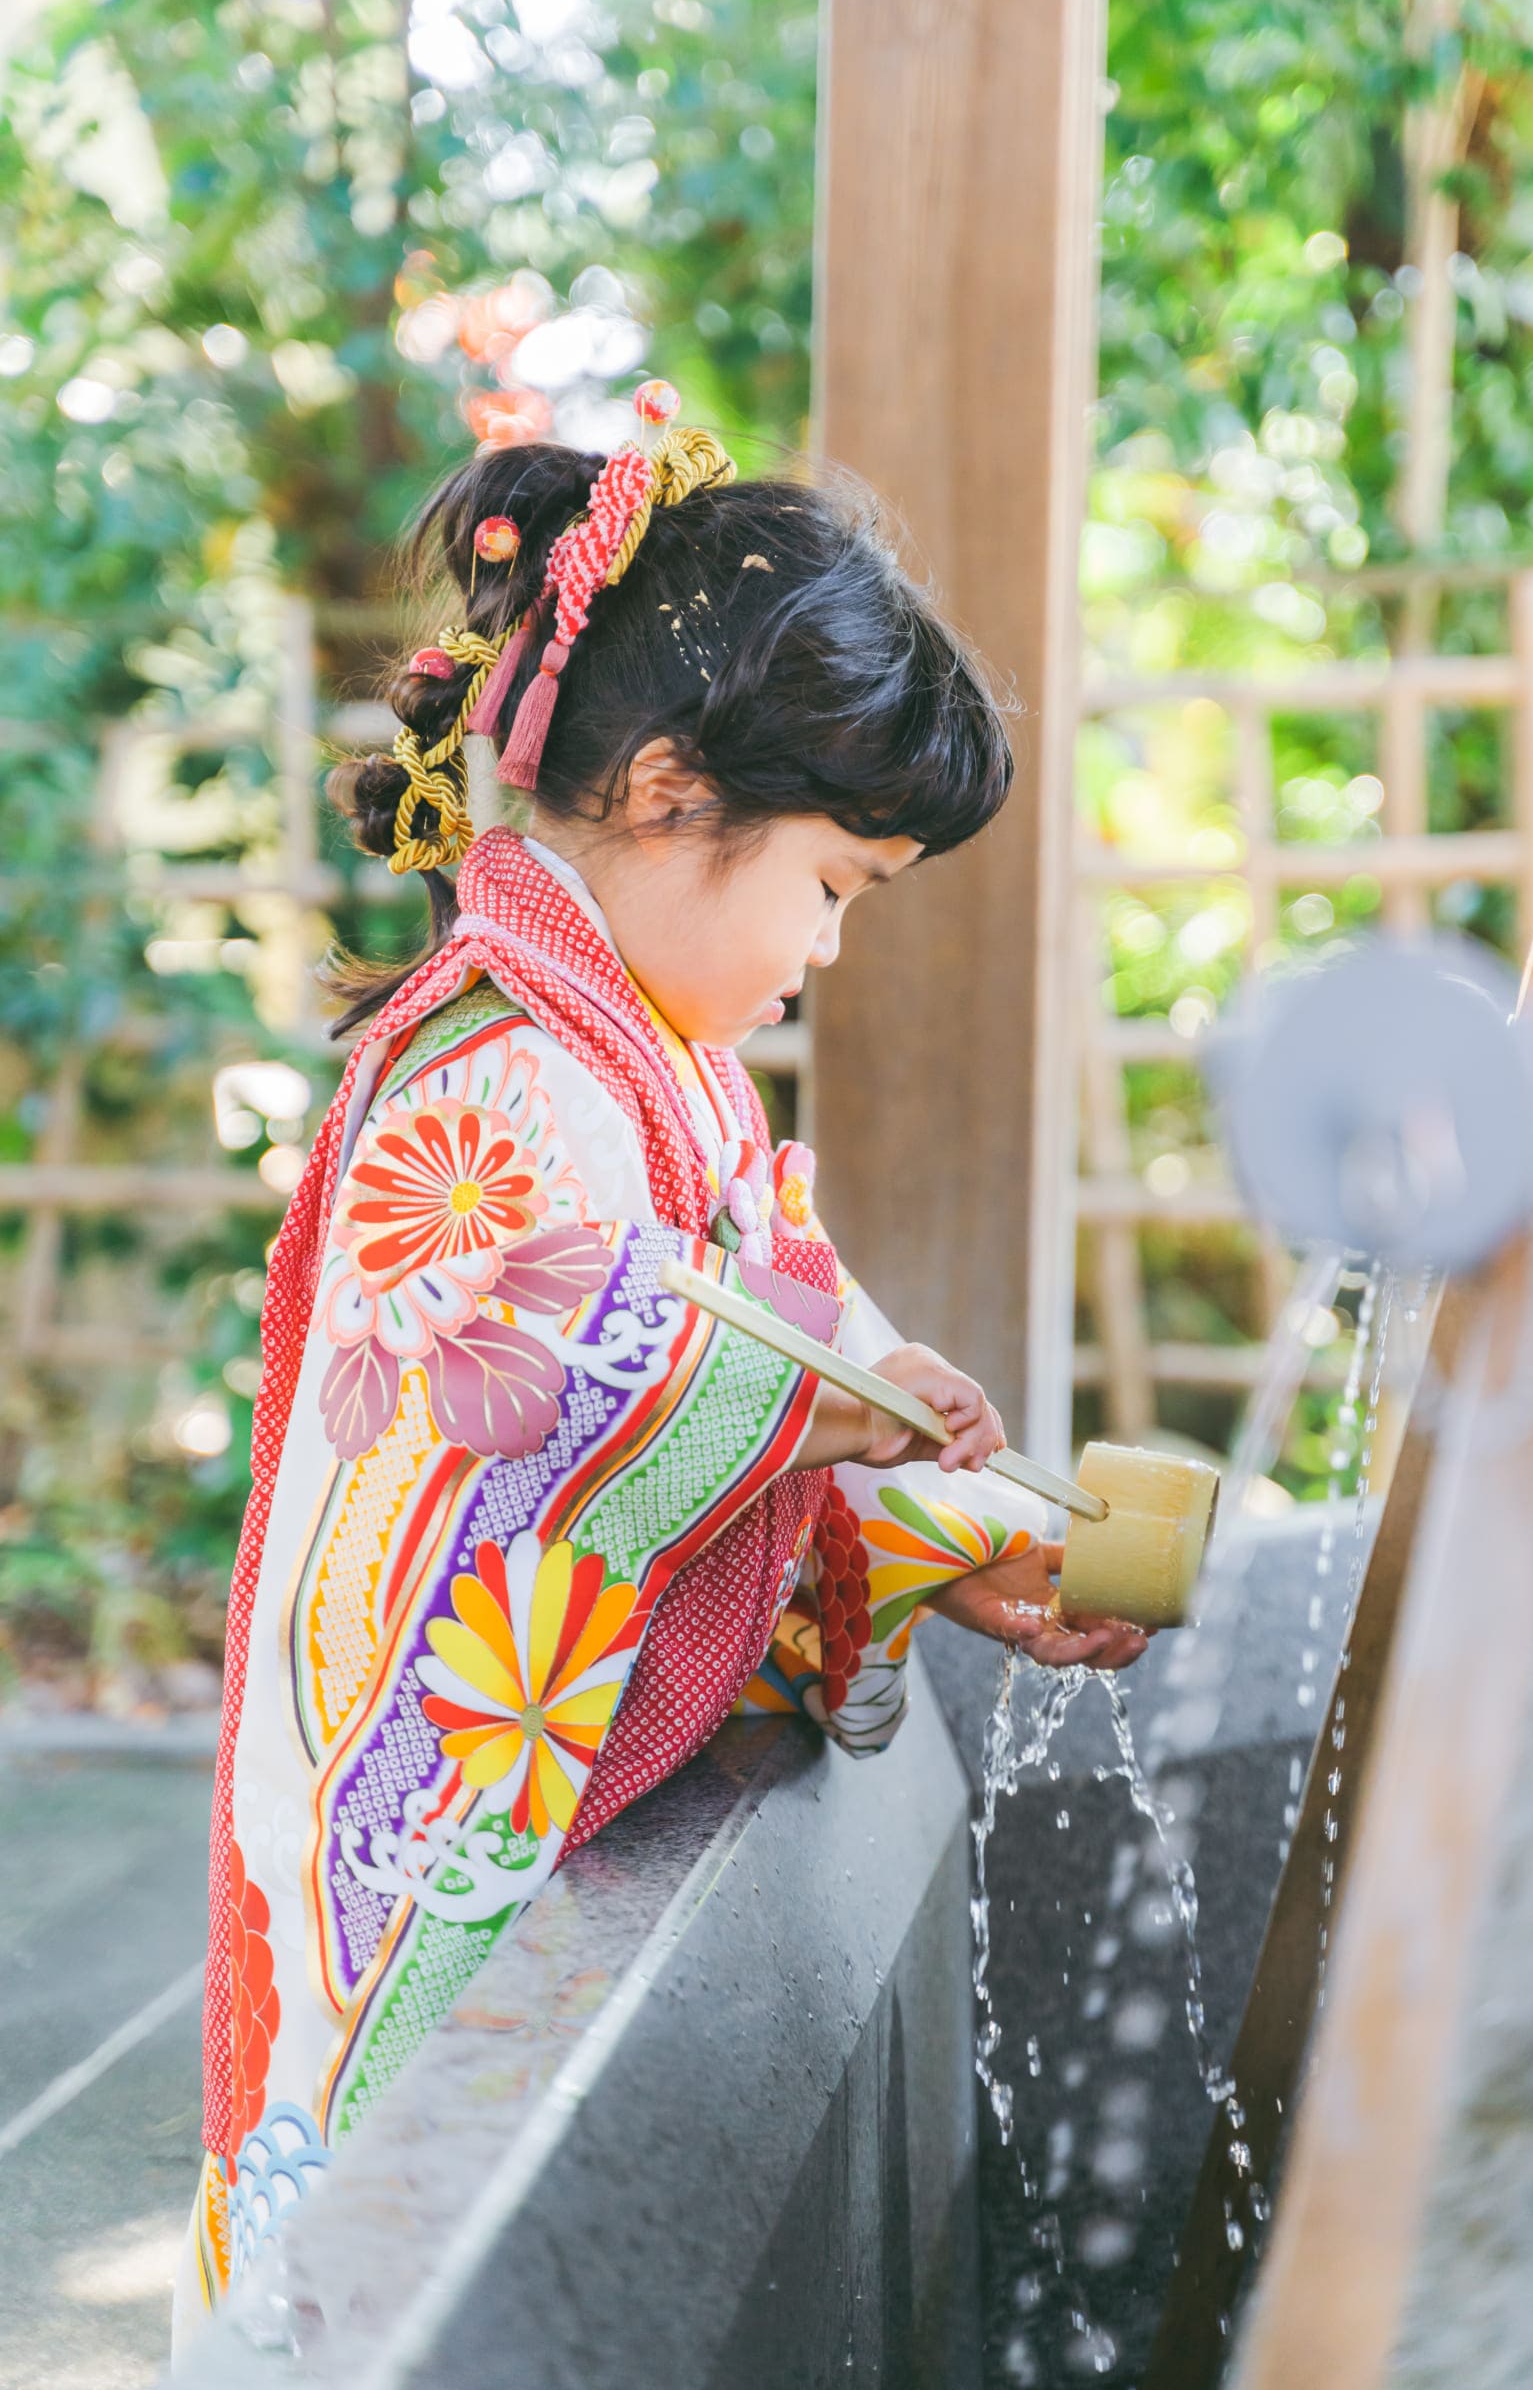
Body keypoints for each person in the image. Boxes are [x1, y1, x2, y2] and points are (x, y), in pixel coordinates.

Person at [176, 384, 1146, 2334]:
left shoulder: (648, 1056)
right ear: (664, 789)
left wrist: (926, 1466)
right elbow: (604, 1394)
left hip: (522, 1796)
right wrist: (894, 1472)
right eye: (832, 885)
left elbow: (762, 1288)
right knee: (373, 2253)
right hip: (430, 1818)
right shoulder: (509, 1069)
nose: (829, 949)